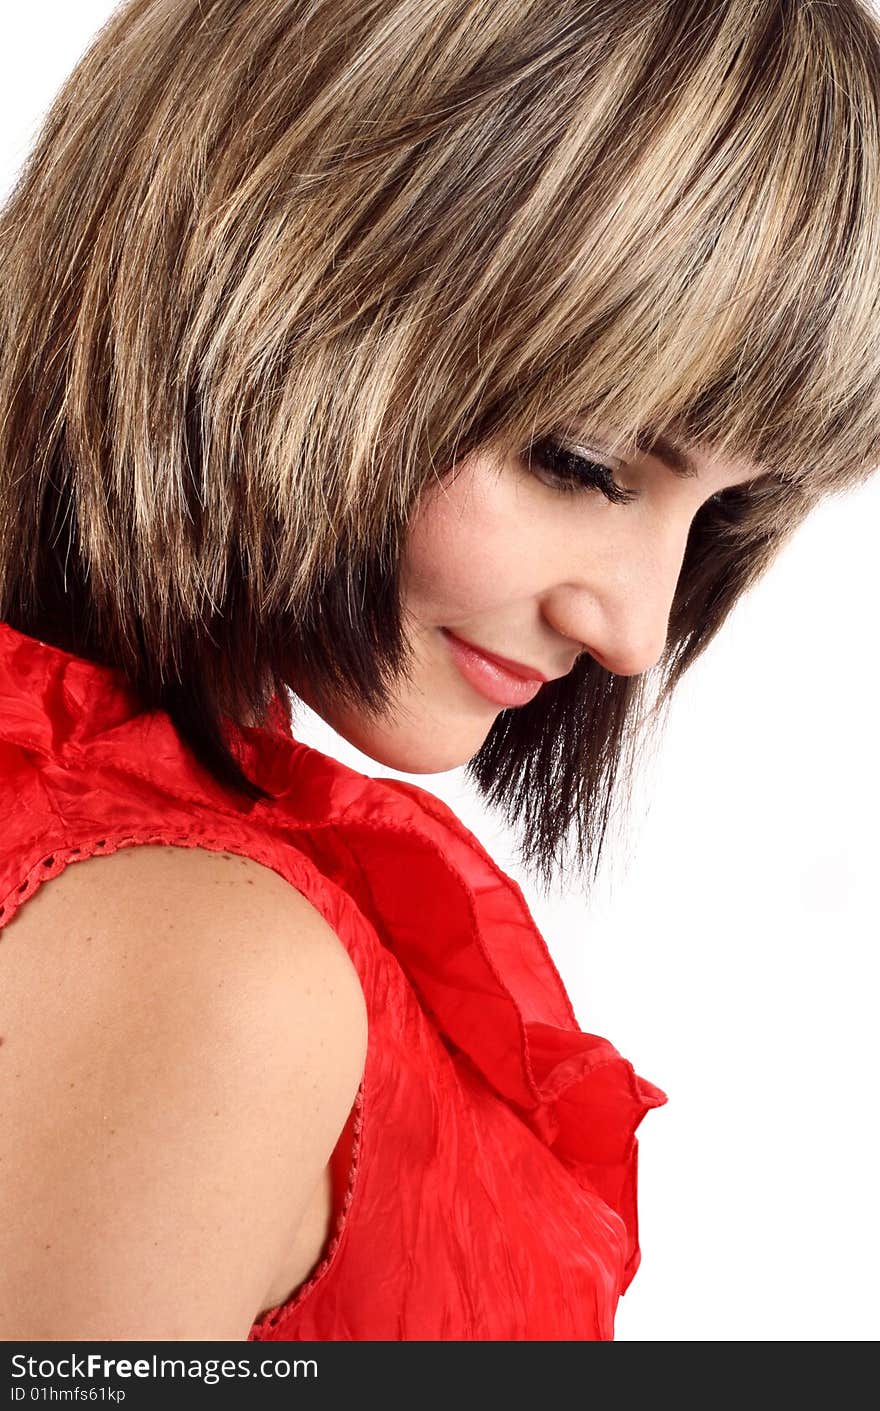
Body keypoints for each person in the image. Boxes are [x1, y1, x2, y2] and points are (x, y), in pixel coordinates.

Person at [1, 0, 878, 1343]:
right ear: (272, 267)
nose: (637, 629)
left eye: (717, 516)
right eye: (580, 463)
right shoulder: (205, 967)